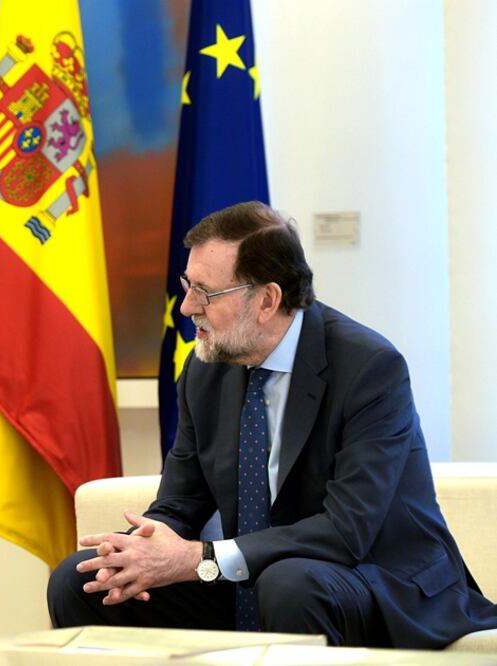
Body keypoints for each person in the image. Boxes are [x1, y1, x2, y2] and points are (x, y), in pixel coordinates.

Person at [47, 201, 497, 648]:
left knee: (288, 583)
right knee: (81, 580)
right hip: (252, 578)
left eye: (205, 292)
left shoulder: (369, 368)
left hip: (373, 579)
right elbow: (180, 502)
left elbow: (347, 529)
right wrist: (144, 548)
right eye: (188, 284)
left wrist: (202, 559)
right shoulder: (205, 370)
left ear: (267, 300)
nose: (186, 307)